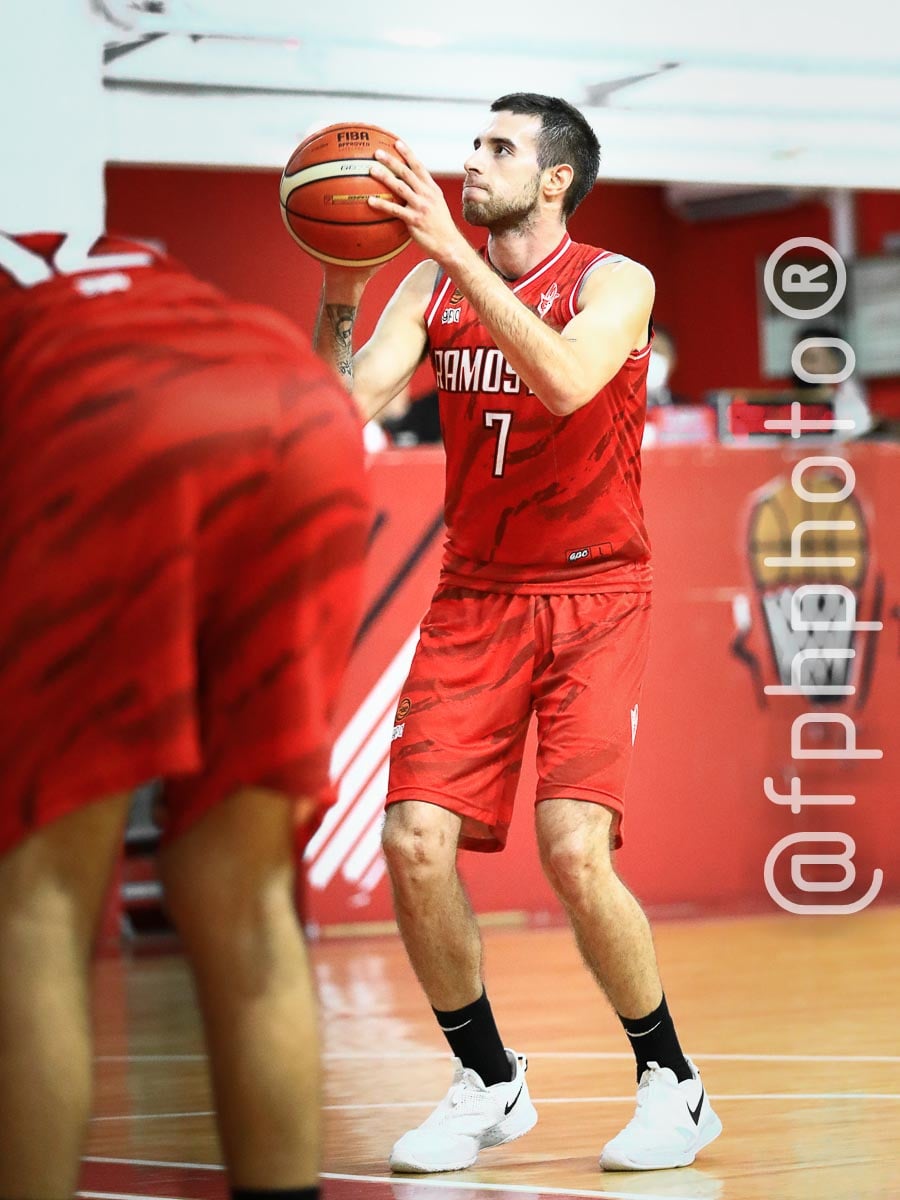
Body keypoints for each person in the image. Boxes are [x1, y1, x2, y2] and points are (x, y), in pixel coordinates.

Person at [0, 5, 371, 1200]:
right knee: (246, 894)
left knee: (40, 895)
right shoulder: (92, 256)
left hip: (109, 427)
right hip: (294, 407)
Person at [313, 92, 722, 1174]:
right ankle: (489, 1079)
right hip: (476, 594)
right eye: (474, 142)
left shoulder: (615, 280)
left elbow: (566, 377)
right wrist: (340, 287)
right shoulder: (428, 281)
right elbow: (336, 409)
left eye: (500, 148)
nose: (472, 160)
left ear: (555, 180)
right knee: (410, 842)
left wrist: (451, 250)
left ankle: (672, 1083)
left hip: (596, 597)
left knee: (574, 851)